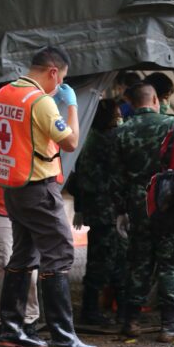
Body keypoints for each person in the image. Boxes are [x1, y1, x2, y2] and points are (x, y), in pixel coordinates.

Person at [0, 45, 97, 347]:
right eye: (61, 79)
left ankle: (11, 329)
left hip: (13, 186)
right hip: (37, 186)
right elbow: (71, 141)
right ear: (52, 72)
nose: (60, 85)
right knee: (60, 251)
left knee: (23, 254)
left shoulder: (4, 93)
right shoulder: (42, 102)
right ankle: (63, 335)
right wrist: (71, 107)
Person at [111, 82, 174, 343]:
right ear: (156, 99)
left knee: (140, 261)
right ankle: (169, 325)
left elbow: (117, 177)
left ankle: (131, 321)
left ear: (132, 104)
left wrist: (121, 210)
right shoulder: (173, 125)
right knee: (171, 261)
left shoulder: (121, 132)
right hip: (168, 201)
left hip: (138, 203)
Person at [68, 99, 127, 326]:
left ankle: (92, 308)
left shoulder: (86, 139)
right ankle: (115, 312)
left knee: (96, 261)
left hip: (95, 210)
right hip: (111, 211)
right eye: (117, 113)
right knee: (116, 262)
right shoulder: (113, 140)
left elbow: (77, 178)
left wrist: (80, 208)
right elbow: (119, 178)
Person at [0, 155, 41, 344]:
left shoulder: (38, 140)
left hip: (28, 213)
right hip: (0, 213)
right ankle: (0, 326)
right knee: (1, 268)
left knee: (32, 273)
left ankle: (29, 323)